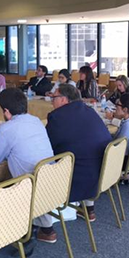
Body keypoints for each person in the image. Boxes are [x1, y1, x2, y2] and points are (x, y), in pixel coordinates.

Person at [0, 88, 55, 244]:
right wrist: (2, 126)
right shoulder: (36, 120)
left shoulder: (7, 129)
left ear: (6, 111)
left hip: (29, 187)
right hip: (49, 183)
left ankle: (17, 230)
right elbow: (19, 134)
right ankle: (45, 229)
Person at [45, 83, 112, 225]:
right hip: (101, 175)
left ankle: (45, 227)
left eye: (54, 98)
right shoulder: (90, 111)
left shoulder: (57, 117)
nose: (52, 101)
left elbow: (48, 148)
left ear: (63, 99)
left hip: (76, 179)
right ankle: (89, 209)